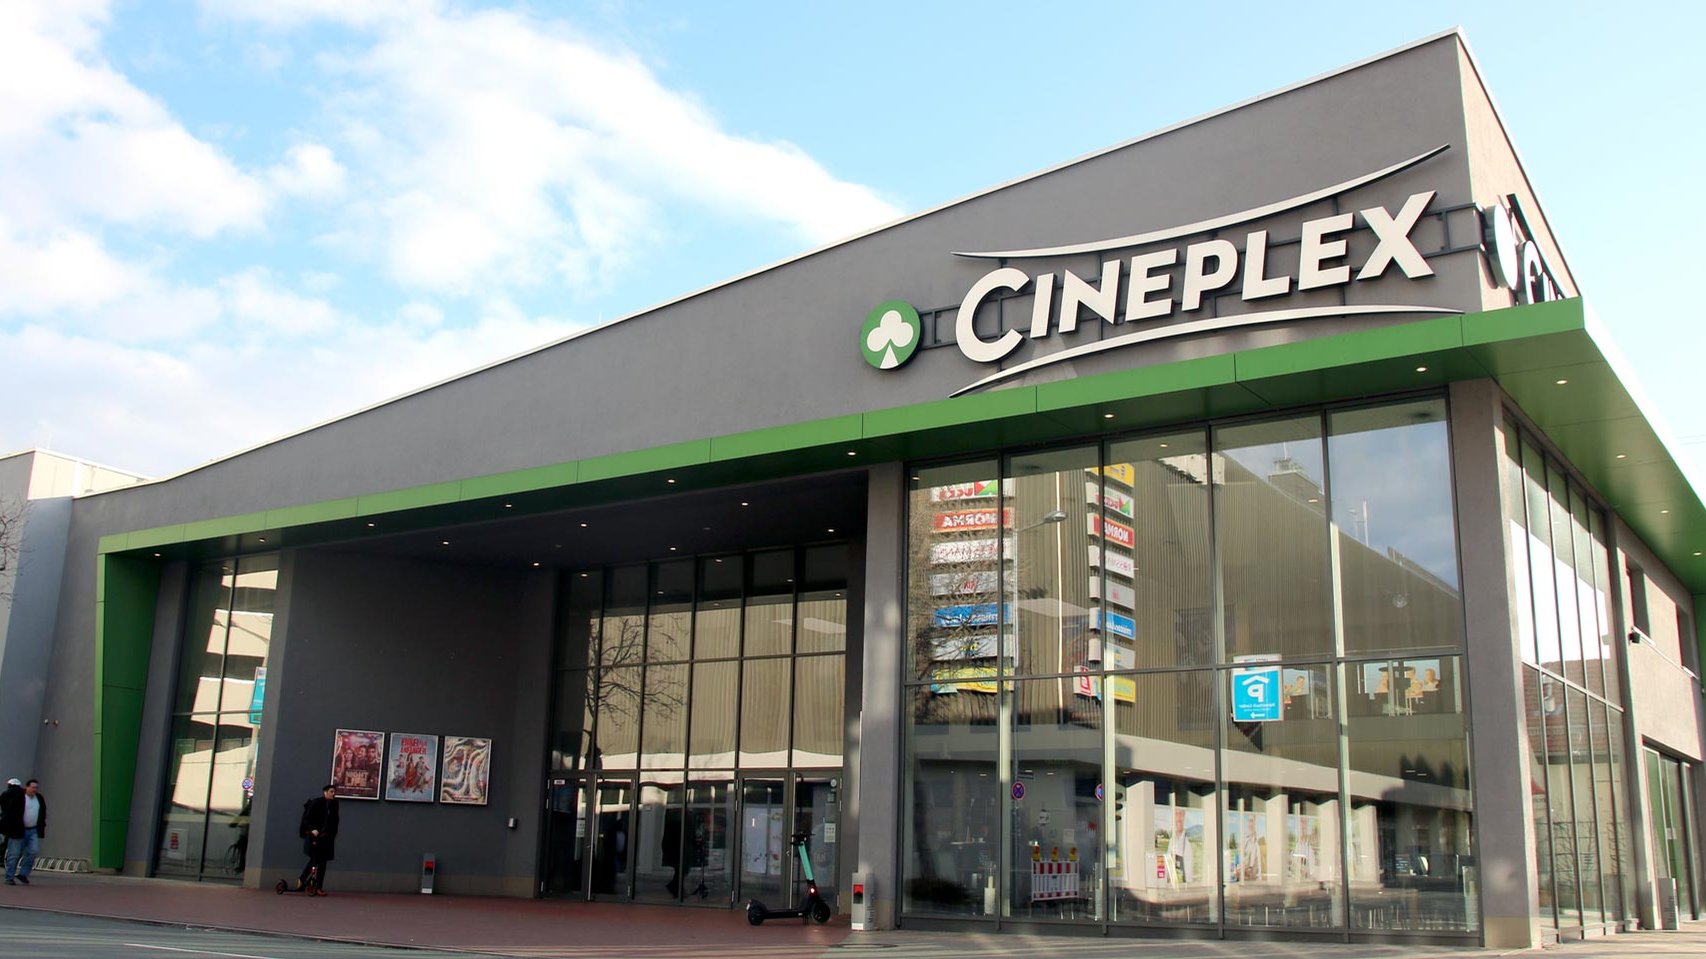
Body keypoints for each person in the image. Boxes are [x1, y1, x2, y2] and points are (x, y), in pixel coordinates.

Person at [295, 783, 340, 895]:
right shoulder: (317, 802)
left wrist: (332, 833)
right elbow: (307, 819)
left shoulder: (334, 804)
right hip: (315, 836)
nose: (333, 794)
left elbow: (335, 820)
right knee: (315, 860)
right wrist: (313, 829)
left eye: (334, 792)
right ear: (325, 792)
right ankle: (302, 879)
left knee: (323, 862)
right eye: (331, 792)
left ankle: (318, 887)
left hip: (327, 837)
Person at [1, 778, 46, 885]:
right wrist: (8, 828)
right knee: (14, 854)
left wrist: (41, 825)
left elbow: (42, 812)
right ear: (27, 787)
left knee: (33, 851)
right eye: (33, 787)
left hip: (32, 830)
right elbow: (10, 813)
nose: (35, 790)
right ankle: (9, 877)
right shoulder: (19, 798)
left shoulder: (39, 798)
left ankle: (23, 874)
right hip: (18, 830)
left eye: (36, 788)